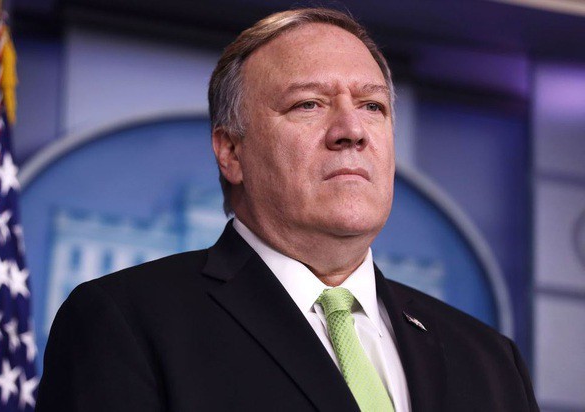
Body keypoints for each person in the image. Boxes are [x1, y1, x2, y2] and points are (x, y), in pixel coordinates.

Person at [36, 7, 539, 412]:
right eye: (308, 104)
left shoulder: (490, 361)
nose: (352, 130)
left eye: (372, 106)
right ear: (232, 152)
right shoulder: (127, 321)